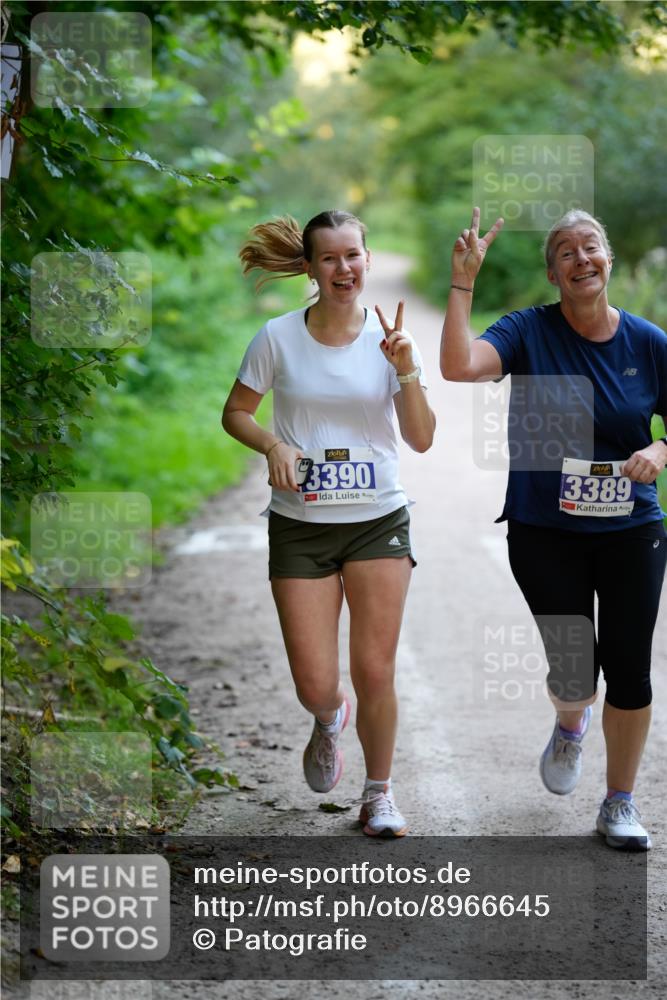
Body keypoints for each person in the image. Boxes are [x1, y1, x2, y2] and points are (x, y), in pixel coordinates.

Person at [440, 206, 667, 850]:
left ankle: (619, 803)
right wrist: (463, 283)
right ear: (552, 272)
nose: (580, 259)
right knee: (575, 674)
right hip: (545, 527)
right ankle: (572, 723)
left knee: (630, 668)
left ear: (609, 259)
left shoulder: (649, 344)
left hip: (631, 528)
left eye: (590, 247)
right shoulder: (527, 331)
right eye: (565, 252)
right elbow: (459, 366)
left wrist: (661, 451)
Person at [222, 210, 435, 836]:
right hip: (301, 525)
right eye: (330, 258)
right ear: (311, 269)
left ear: (368, 260)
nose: (344, 269)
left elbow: (421, 439)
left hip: (377, 521)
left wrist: (406, 369)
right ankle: (325, 719)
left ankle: (378, 794)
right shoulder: (278, 337)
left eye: (353, 256)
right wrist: (272, 446)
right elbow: (235, 412)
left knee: (375, 669)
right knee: (317, 684)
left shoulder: (392, 339)